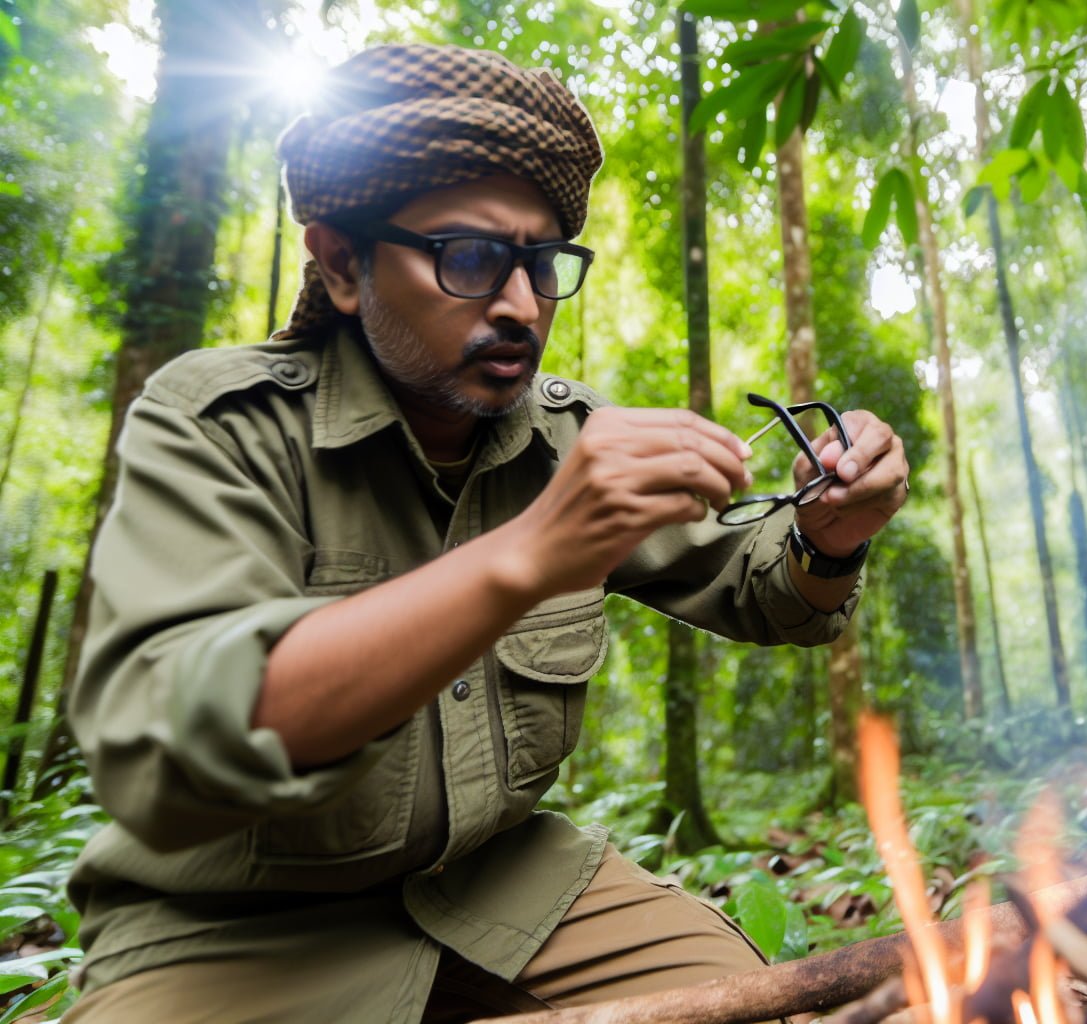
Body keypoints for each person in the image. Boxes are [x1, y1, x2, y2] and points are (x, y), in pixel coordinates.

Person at [61, 43, 909, 1023]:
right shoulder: (219, 421)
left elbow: (757, 583)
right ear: (341, 261)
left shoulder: (563, 434)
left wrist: (829, 532)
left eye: (541, 263)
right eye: (467, 257)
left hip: (506, 883)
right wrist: (526, 553)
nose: (517, 304)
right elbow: (171, 744)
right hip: (235, 926)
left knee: (759, 1008)